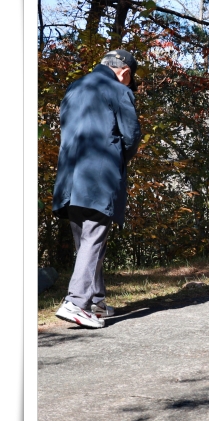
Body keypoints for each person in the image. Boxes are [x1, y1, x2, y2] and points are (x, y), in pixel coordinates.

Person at [52, 49, 142, 329]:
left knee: (87, 241)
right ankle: (76, 302)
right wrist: (117, 161)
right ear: (124, 72)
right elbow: (131, 136)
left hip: (69, 177)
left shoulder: (74, 87)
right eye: (131, 79)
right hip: (99, 176)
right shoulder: (118, 90)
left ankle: (95, 301)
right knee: (93, 239)